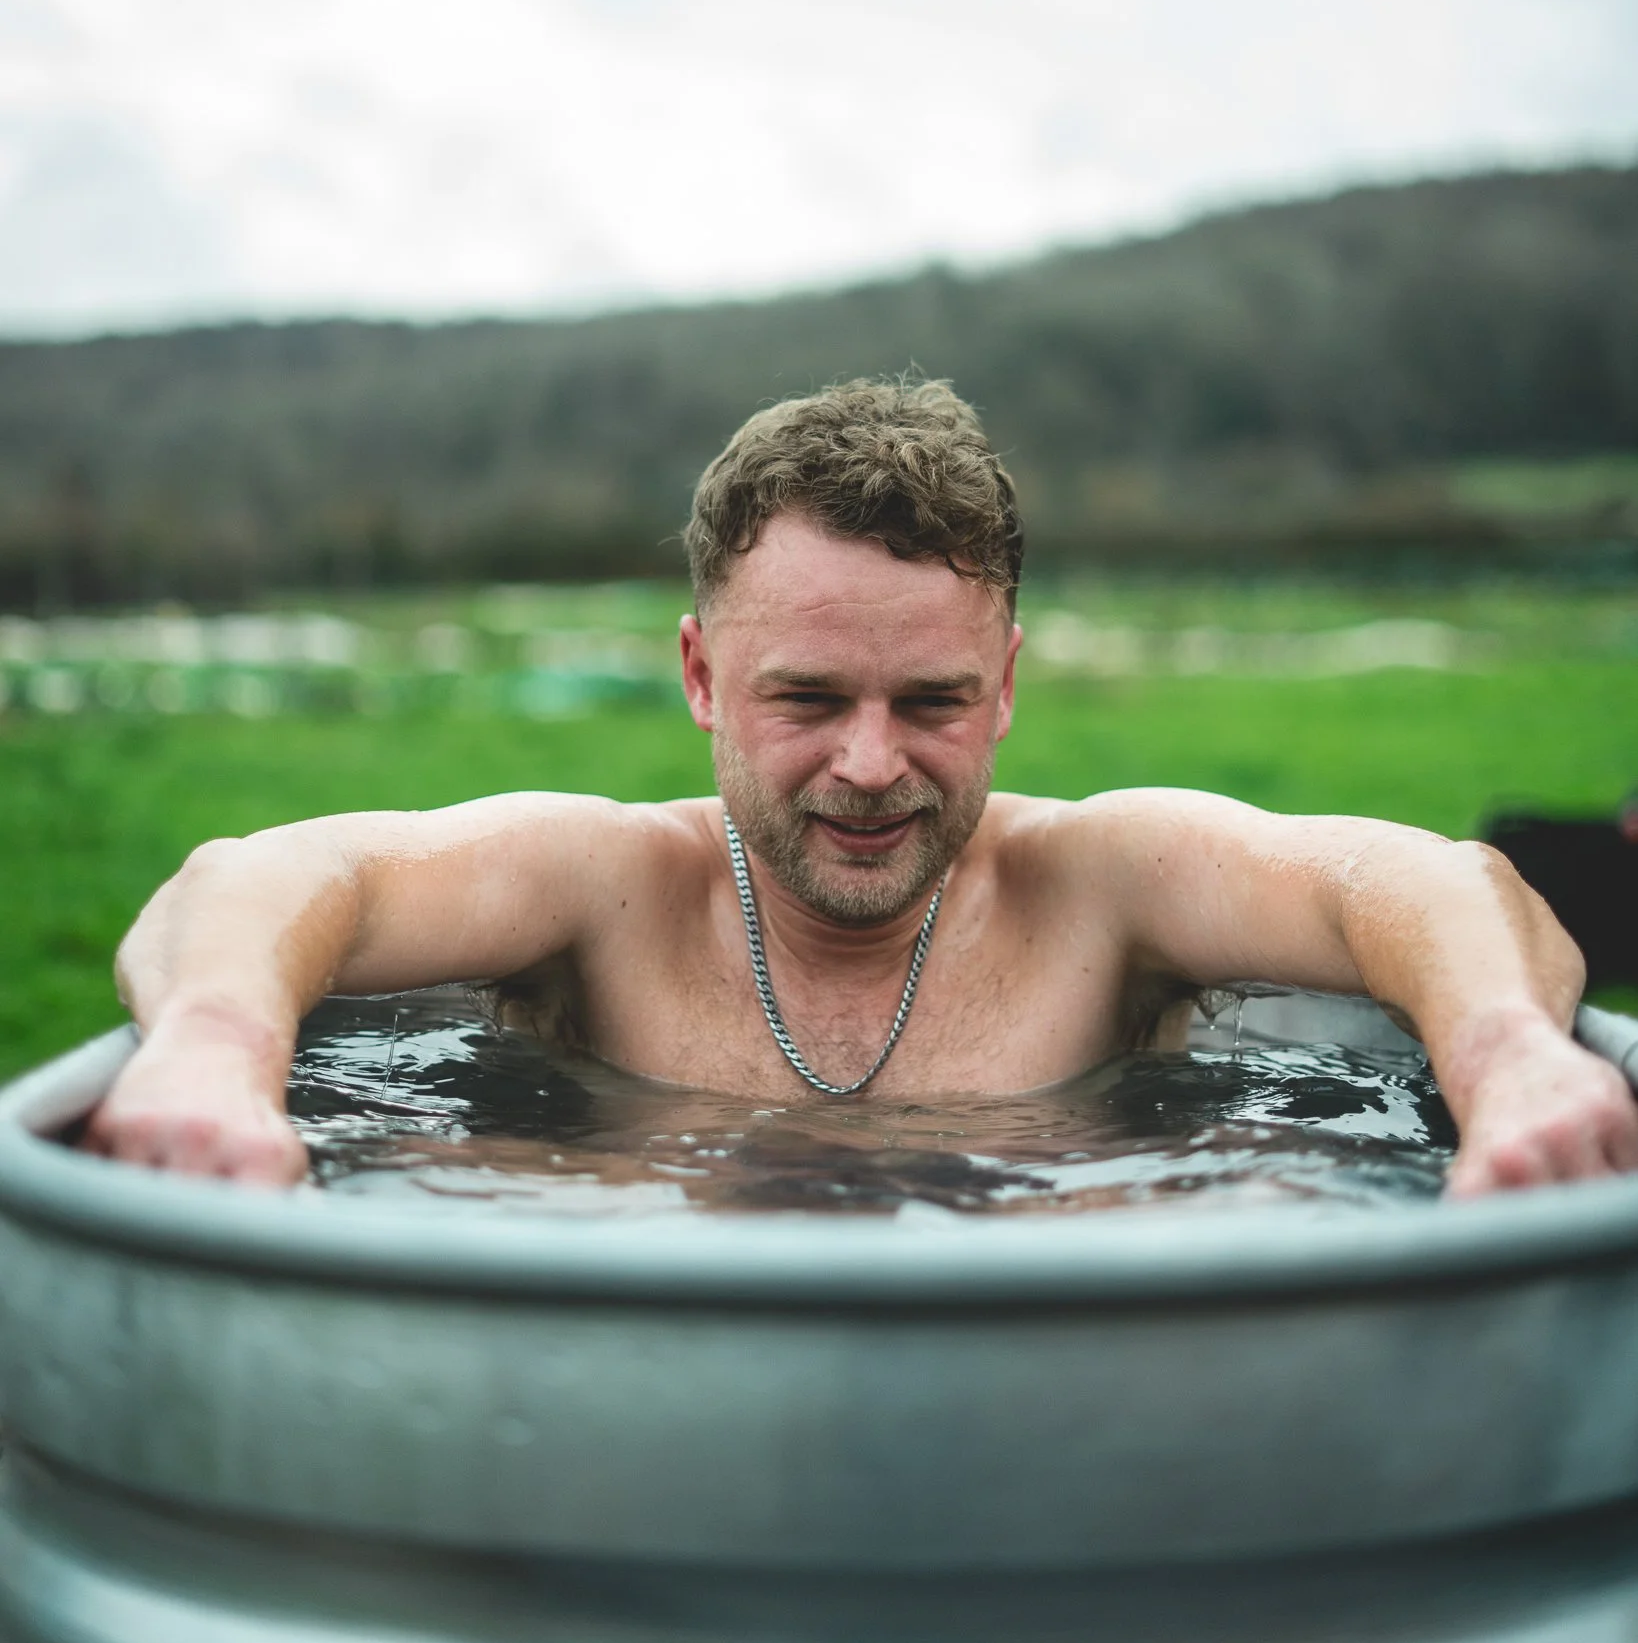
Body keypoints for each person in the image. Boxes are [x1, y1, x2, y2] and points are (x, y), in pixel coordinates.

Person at [88, 379, 1638, 1195]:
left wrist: (1505, 1054)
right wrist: (216, 1050)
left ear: (1009, 682)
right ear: (701, 677)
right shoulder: (615, 888)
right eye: (807, 699)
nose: (872, 765)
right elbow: (264, 876)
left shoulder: (1091, 889)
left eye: (935, 701)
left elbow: (1436, 881)